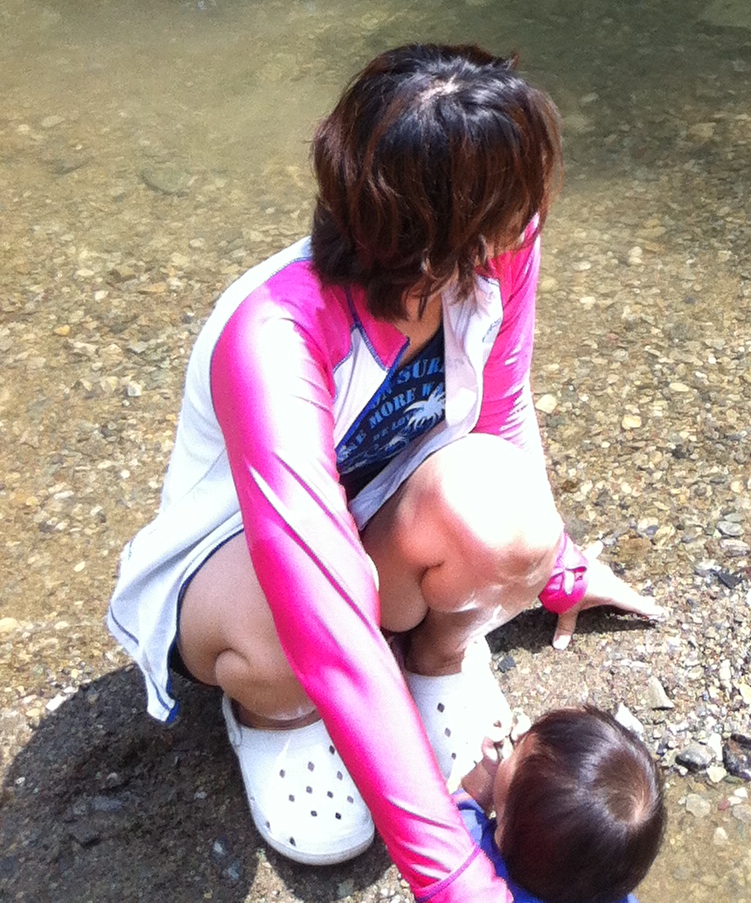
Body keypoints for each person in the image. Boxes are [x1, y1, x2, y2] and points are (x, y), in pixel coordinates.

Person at [108, 44, 654, 899]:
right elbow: (322, 607)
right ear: (439, 238)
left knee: (516, 521)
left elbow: (503, 413)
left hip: (375, 532)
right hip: (250, 571)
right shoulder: (275, 336)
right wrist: (454, 879)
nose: (527, 222)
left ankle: (432, 657)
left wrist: (557, 565)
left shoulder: (497, 250)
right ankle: (274, 711)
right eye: (507, 208)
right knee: (297, 632)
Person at [457, 706, 666, 903]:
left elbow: (455, 812)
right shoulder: (607, 880)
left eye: (515, 750)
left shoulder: (473, 856)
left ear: (501, 836)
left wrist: (486, 773)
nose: (517, 740)